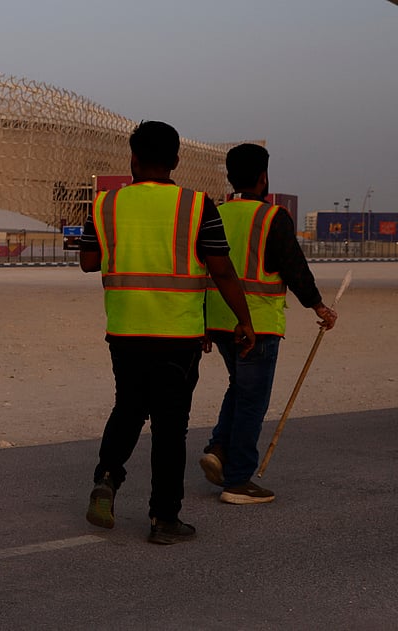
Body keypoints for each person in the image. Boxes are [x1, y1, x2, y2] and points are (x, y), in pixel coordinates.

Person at [79, 121, 255, 545]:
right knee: (170, 426)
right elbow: (222, 270)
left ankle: (107, 477)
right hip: (176, 335)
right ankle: (164, 518)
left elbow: (88, 261)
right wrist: (243, 320)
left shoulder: (105, 205)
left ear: (132, 159)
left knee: (128, 408)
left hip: (124, 330)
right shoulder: (196, 206)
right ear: (176, 160)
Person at [199, 143, 338, 504]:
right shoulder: (272, 218)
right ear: (263, 178)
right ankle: (238, 480)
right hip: (257, 324)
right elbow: (294, 268)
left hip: (216, 319)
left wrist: (201, 321)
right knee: (253, 400)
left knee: (239, 386)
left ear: (231, 177)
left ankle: (218, 448)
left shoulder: (214, 213)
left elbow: (201, 269)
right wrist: (319, 307)